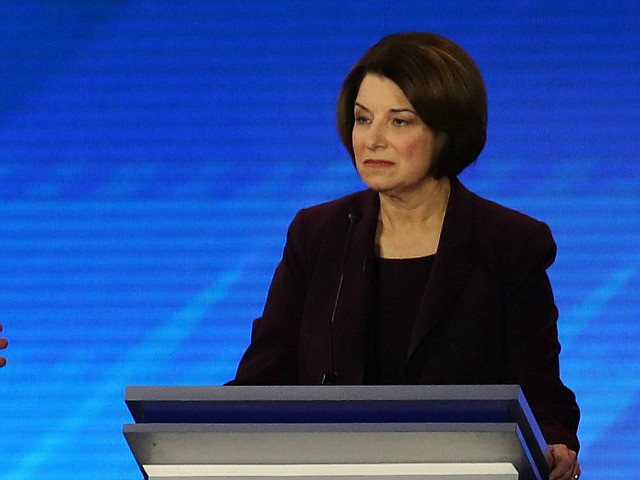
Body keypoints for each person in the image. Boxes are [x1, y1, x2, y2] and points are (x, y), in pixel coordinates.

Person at [228, 32, 580, 480]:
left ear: (447, 131)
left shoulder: (509, 243)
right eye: (362, 119)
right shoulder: (316, 235)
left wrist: (553, 446)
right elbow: (262, 379)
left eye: (399, 122)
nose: (371, 140)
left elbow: (539, 394)